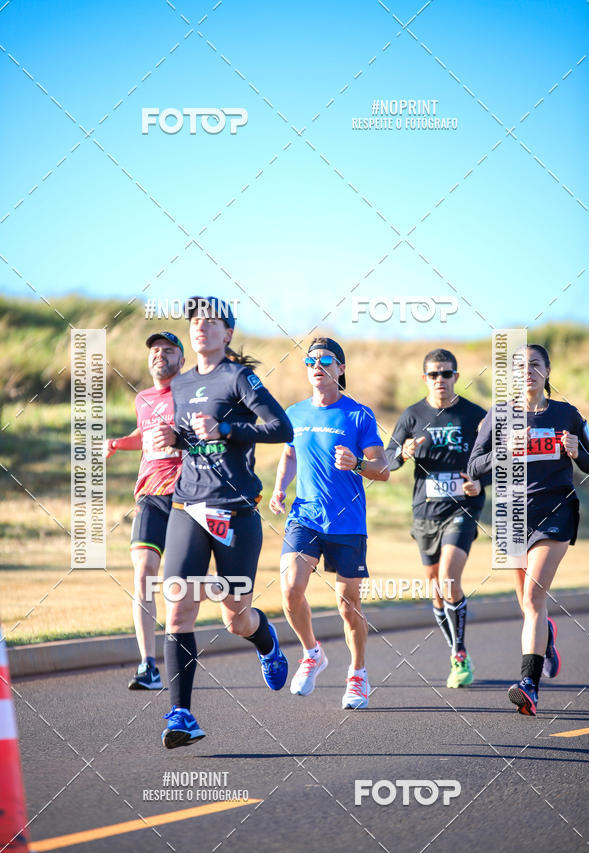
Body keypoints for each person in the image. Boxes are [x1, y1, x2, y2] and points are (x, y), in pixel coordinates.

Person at [153, 296, 294, 748]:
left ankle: (266, 640)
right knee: (178, 607)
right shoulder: (179, 383)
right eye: (195, 320)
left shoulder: (239, 377)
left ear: (228, 333)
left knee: (235, 618)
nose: (201, 326)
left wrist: (228, 430)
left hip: (235, 510)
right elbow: (192, 438)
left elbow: (281, 428)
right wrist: (176, 438)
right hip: (187, 507)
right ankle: (181, 715)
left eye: (211, 321)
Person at [468, 343, 589, 715]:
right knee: (527, 604)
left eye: (535, 364)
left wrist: (577, 451)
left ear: (547, 371)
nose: (528, 371)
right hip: (512, 514)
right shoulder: (499, 415)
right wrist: (504, 450)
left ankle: (529, 685)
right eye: (520, 366)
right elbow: (474, 466)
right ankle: (547, 637)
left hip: (555, 511)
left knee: (533, 598)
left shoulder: (567, 414)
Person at [269, 337, 389, 710]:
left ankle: (358, 674)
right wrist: (279, 488)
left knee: (347, 604)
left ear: (341, 368)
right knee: (290, 589)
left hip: (347, 522)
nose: (316, 366)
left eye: (325, 360)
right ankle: (312, 653)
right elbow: (289, 455)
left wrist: (357, 463)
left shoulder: (358, 415)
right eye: (310, 361)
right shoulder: (294, 413)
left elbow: (383, 469)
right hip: (305, 517)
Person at [385, 349, 490, 688]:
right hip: (425, 511)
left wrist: (480, 482)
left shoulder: (475, 415)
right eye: (433, 374)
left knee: (447, 579)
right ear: (424, 378)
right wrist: (403, 453)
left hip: (462, 509)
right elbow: (388, 459)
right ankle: (454, 650)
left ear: (456, 376)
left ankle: (460, 654)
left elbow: (498, 459)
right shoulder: (412, 415)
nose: (440, 380)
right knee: (435, 590)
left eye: (446, 374)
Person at [104, 331, 185, 690]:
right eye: (154, 350)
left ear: (182, 359)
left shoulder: (192, 393)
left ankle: (183, 658)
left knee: (180, 584)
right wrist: (117, 443)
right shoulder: (144, 398)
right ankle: (147, 666)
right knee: (143, 574)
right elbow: (144, 434)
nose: (159, 355)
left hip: (186, 497)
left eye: (168, 350)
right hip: (150, 495)